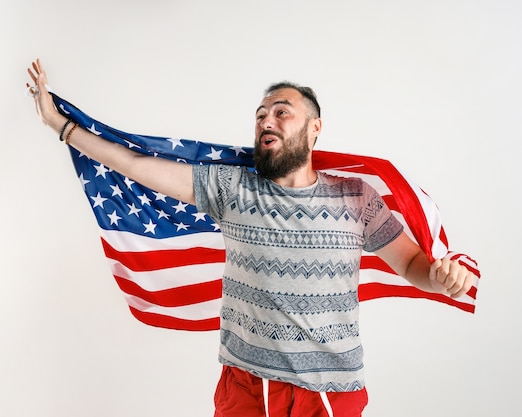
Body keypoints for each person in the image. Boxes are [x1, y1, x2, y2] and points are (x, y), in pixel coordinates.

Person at [26, 59, 476, 417]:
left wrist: (441, 278)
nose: (267, 120)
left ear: (314, 128)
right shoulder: (231, 189)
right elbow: (136, 166)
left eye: (282, 112)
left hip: (329, 396)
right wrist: (61, 126)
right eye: (261, 114)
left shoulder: (356, 197)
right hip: (245, 390)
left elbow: (413, 265)